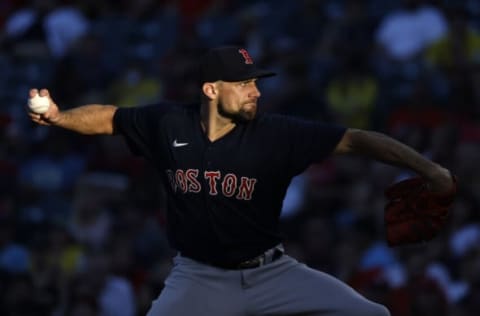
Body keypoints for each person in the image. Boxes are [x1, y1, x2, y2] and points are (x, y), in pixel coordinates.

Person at [28, 46, 454, 316]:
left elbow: (358, 140)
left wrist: (430, 169)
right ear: (212, 90)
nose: (256, 91)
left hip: (272, 274)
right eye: (245, 83)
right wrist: (59, 117)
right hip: (199, 278)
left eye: (256, 82)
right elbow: (109, 118)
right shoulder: (168, 123)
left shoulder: (277, 134)